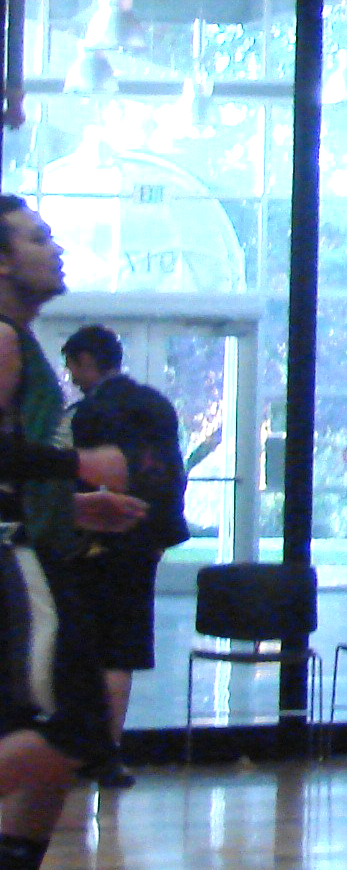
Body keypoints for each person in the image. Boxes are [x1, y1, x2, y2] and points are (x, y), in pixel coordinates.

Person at [0, 200, 149, 870]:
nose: (54, 248)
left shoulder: (24, 342)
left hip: (33, 544)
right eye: (38, 238)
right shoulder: (1, 336)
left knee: (65, 743)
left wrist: (74, 501)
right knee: (66, 728)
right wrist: (78, 465)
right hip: (12, 559)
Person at [59, 325, 189, 790]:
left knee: (82, 648)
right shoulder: (157, 406)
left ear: (87, 362)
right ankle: (109, 755)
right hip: (142, 544)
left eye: (73, 367)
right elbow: (172, 474)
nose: (73, 378)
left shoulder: (86, 414)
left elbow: (71, 475)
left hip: (93, 542)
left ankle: (77, 751)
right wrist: (160, 534)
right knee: (121, 651)